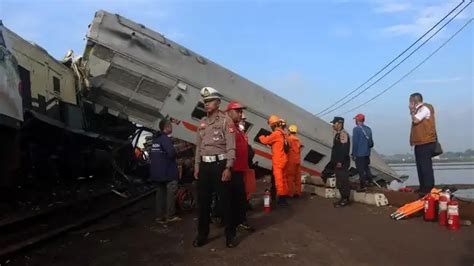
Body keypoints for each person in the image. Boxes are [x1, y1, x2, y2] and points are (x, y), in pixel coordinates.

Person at [193, 87, 237, 248]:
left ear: (218, 102)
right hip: (205, 166)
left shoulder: (226, 121)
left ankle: (230, 235)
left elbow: (231, 147)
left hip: (220, 165)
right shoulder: (202, 123)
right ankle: (202, 235)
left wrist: (228, 168)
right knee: (203, 203)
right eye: (205, 101)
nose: (207, 104)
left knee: (225, 202)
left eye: (210, 100)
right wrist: (197, 165)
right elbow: (198, 147)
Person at [225, 101, 255, 232]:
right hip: (233, 169)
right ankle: (232, 224)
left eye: (241, 112)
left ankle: (240, 221)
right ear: (229, 112)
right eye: (238, 112)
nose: (241, 115)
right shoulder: (228, 128)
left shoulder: (238, 129)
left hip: (241, 168)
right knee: (232, 199)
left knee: (241, 198)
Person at [150, 119, 181, 224]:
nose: (172, 128)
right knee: (171, 193)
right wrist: (177, 152)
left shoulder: (156, 139)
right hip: (167, 172)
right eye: (171, 126)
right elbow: (171, 153)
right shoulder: (165, 139)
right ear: (167, 127)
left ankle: (159, 217)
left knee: (160, 194)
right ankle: (170, 216)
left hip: (157, 172)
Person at [409, 92, 438, 195]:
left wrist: (412, 111)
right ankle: (422, 187)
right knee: (420, 166)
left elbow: (416, 120)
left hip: (426, 142)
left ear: (413, 101)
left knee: (426, 166)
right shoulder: (419, 109)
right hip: (419, 143)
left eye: (410, 101)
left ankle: (429, 188)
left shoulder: (425, 108)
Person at [259, 115, 289, 206]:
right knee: (284, 180)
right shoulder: (284, 134)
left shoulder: (276, 133)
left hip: (278, 161)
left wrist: (261, 136)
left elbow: (265, 141)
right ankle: (284, 197)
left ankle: (282, 199)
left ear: (273, 125)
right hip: (284, 159)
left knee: (279, 181)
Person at [330, 117, 351, 208]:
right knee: (339, 181)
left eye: (334, 123)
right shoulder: (338, 134)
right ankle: (342, 198)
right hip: (338, 162)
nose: (333, 125)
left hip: (342, 162)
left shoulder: (343, 134)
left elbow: (344, 149)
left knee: (343, 181)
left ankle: (345, 199)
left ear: (339, 123)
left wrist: (340, 161)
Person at [351, 113, 374, 192]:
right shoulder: (368, 129)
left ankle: (363, 186)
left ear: (357, 120)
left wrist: (353, 154)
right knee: (366, 168)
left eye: (355, 120)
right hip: (367, 153)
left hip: (359, 154)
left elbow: (355, 143)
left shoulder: (356, 129)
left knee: (361, 170)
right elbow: (371, 143)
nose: (355, 121)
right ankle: (370, 182)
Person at [287, 124, 302, 198]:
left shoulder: (288, 139)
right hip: (297, 160)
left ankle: (290, 193)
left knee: (290, 177)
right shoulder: (298, 140)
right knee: (297, 177)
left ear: (289, 131)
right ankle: (297, 192)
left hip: (291, 160)